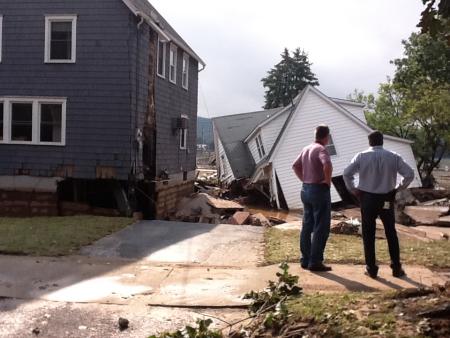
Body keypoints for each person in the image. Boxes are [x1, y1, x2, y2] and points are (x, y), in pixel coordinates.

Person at [343, 131, 415, 279]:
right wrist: (398, 187)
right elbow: (409, 174)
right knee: (390, 232)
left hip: (367, 199)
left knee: (368, 233)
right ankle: (396, 268)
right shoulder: (393, 156)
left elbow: (346, 173)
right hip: (386, 198)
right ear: (382, 141)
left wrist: (353, 189)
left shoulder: (362, 156)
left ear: (369, 142)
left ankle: (371, 269)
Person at [292, 125, 333, 272]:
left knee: (307, 225)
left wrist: (304, 179)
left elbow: (295, 165)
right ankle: (315, 261)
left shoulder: (306, 148)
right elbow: (327, 164)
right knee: (321, 227)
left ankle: (305, 259)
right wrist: (327, 181)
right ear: (326, 137)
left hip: (306, 189)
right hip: (318, 190)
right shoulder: (321, 149)